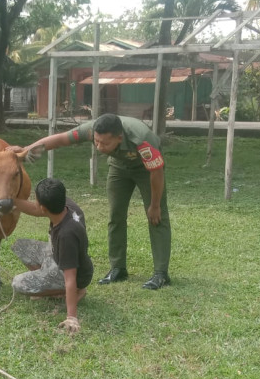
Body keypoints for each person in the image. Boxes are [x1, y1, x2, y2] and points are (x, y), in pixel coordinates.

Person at [12, 113, 171, 290]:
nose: (99, 147)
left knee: (156, 217)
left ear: (119, 138)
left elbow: (156, 172)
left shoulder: (142, 140)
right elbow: (61, 139)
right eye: (97, 142)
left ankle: (161, 273)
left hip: (146, 170)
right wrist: (25, 150)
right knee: (115, 216)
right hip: (119, 167)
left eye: (105, 143)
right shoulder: (91, 129)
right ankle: (118, 268)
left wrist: (154, 205)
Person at [11, 178, 94, 334]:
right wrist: (10, 200)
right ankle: (48, 283)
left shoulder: (66, 235)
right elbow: (36, 209)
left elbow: (70, 277)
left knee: (17, 283)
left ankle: (70, 291)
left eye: (35, 201)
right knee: (20, 246)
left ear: (43, 208)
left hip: (72, 273)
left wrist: (72, 317)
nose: (34, 204)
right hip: (56, 253)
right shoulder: (65, 204)